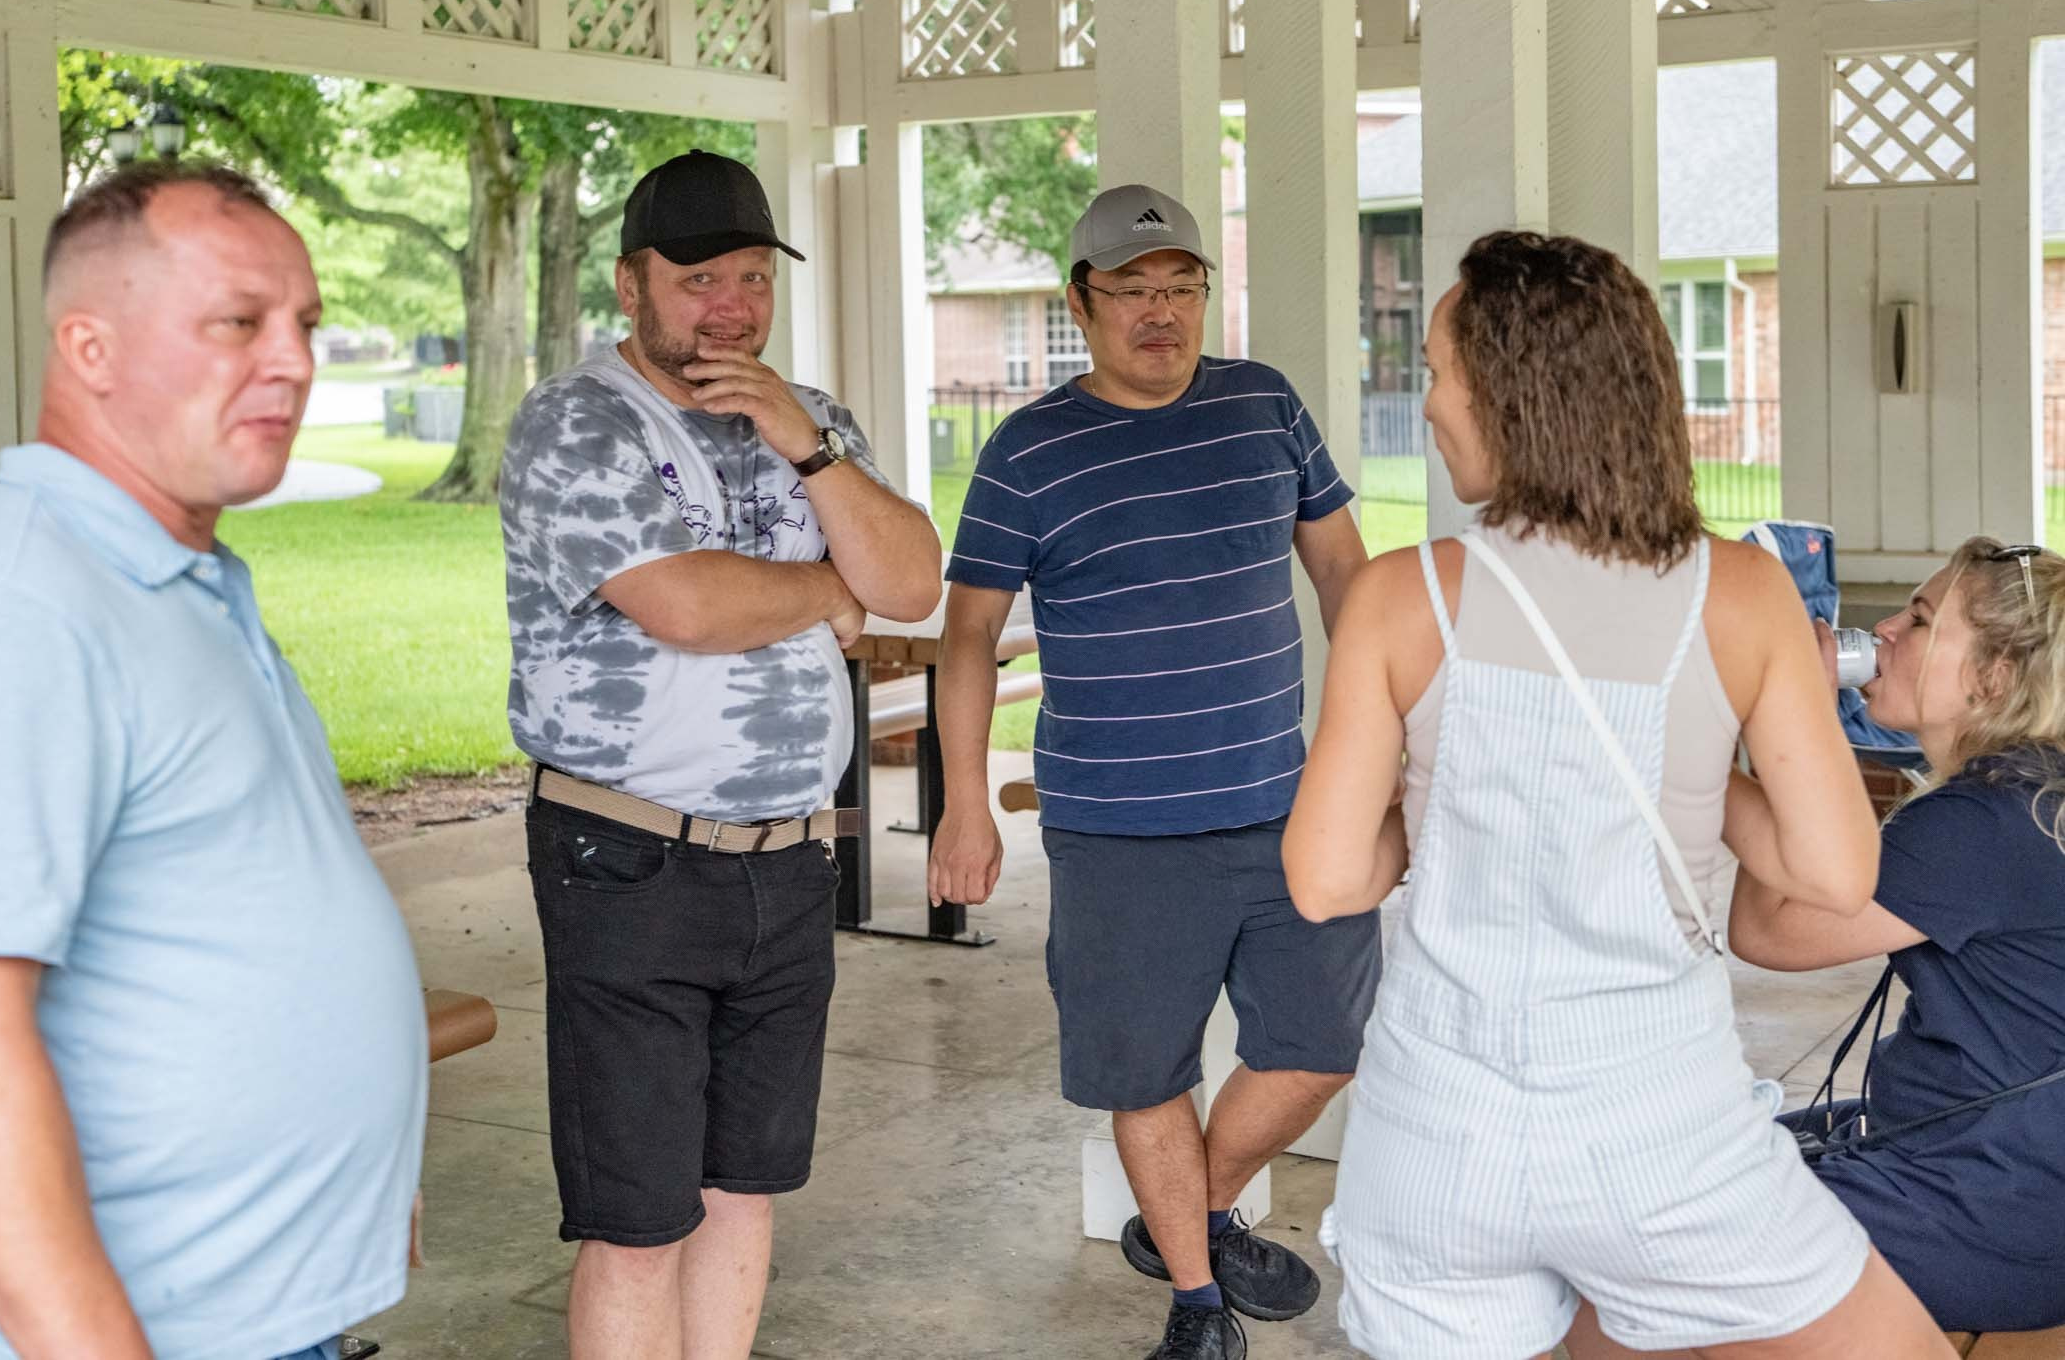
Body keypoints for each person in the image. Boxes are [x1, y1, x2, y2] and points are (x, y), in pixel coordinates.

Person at [1282, 229, 1954, 1360]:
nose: (1429, 404)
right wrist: (1693, 779)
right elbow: (1832, 871)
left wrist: (1433, 794)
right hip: (1658, 1131)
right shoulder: (1739, 591)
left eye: (1439, 371)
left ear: (1510, 396)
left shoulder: (1401, 599)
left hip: (1440, 1135)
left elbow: (1327, 880)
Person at [0, 162, 429, 1360]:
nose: (294, 361)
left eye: (305, 324)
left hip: (259, 1309)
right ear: (90, 349)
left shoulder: (173, 576)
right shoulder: (14, 608)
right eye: (237, 323)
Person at [498, 148, 941, 1360]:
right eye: (698, 279)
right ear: (632, 283)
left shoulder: (811, 418)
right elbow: (686, 606)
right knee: (639, 1217)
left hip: (789, 859)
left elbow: (906, 580)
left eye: (751, 276)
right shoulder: (575, 421)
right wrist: (824, 593)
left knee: (745, 1186)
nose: (731, 305)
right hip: (629, 859)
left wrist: (809, 448)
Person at [929, 184, 1373, 1360]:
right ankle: (1194, 1301)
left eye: (1181, 288)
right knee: (1144, 1068)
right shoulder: (1029, 453)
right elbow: (967, 633)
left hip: (1283, 805)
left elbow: (1344, 577)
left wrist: (1376, 744)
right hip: (1116, 826)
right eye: (1132, 291)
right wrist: (964, 804)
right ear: (1079, 301)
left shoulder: (1262, 404)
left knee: (1323, 1041)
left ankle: (1194, 1207)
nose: (1161, 314)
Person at [1724, 539, 2065, 1336]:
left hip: (1991, 1203)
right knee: (1697, 1162)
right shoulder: (2032, 796)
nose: (1881, 630)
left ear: (1996, 678)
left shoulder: (1981, 825)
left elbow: (1769, 929)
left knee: (1661, 1234)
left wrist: (1784, 718)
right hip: (2007, 1166)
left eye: (1917, 619)